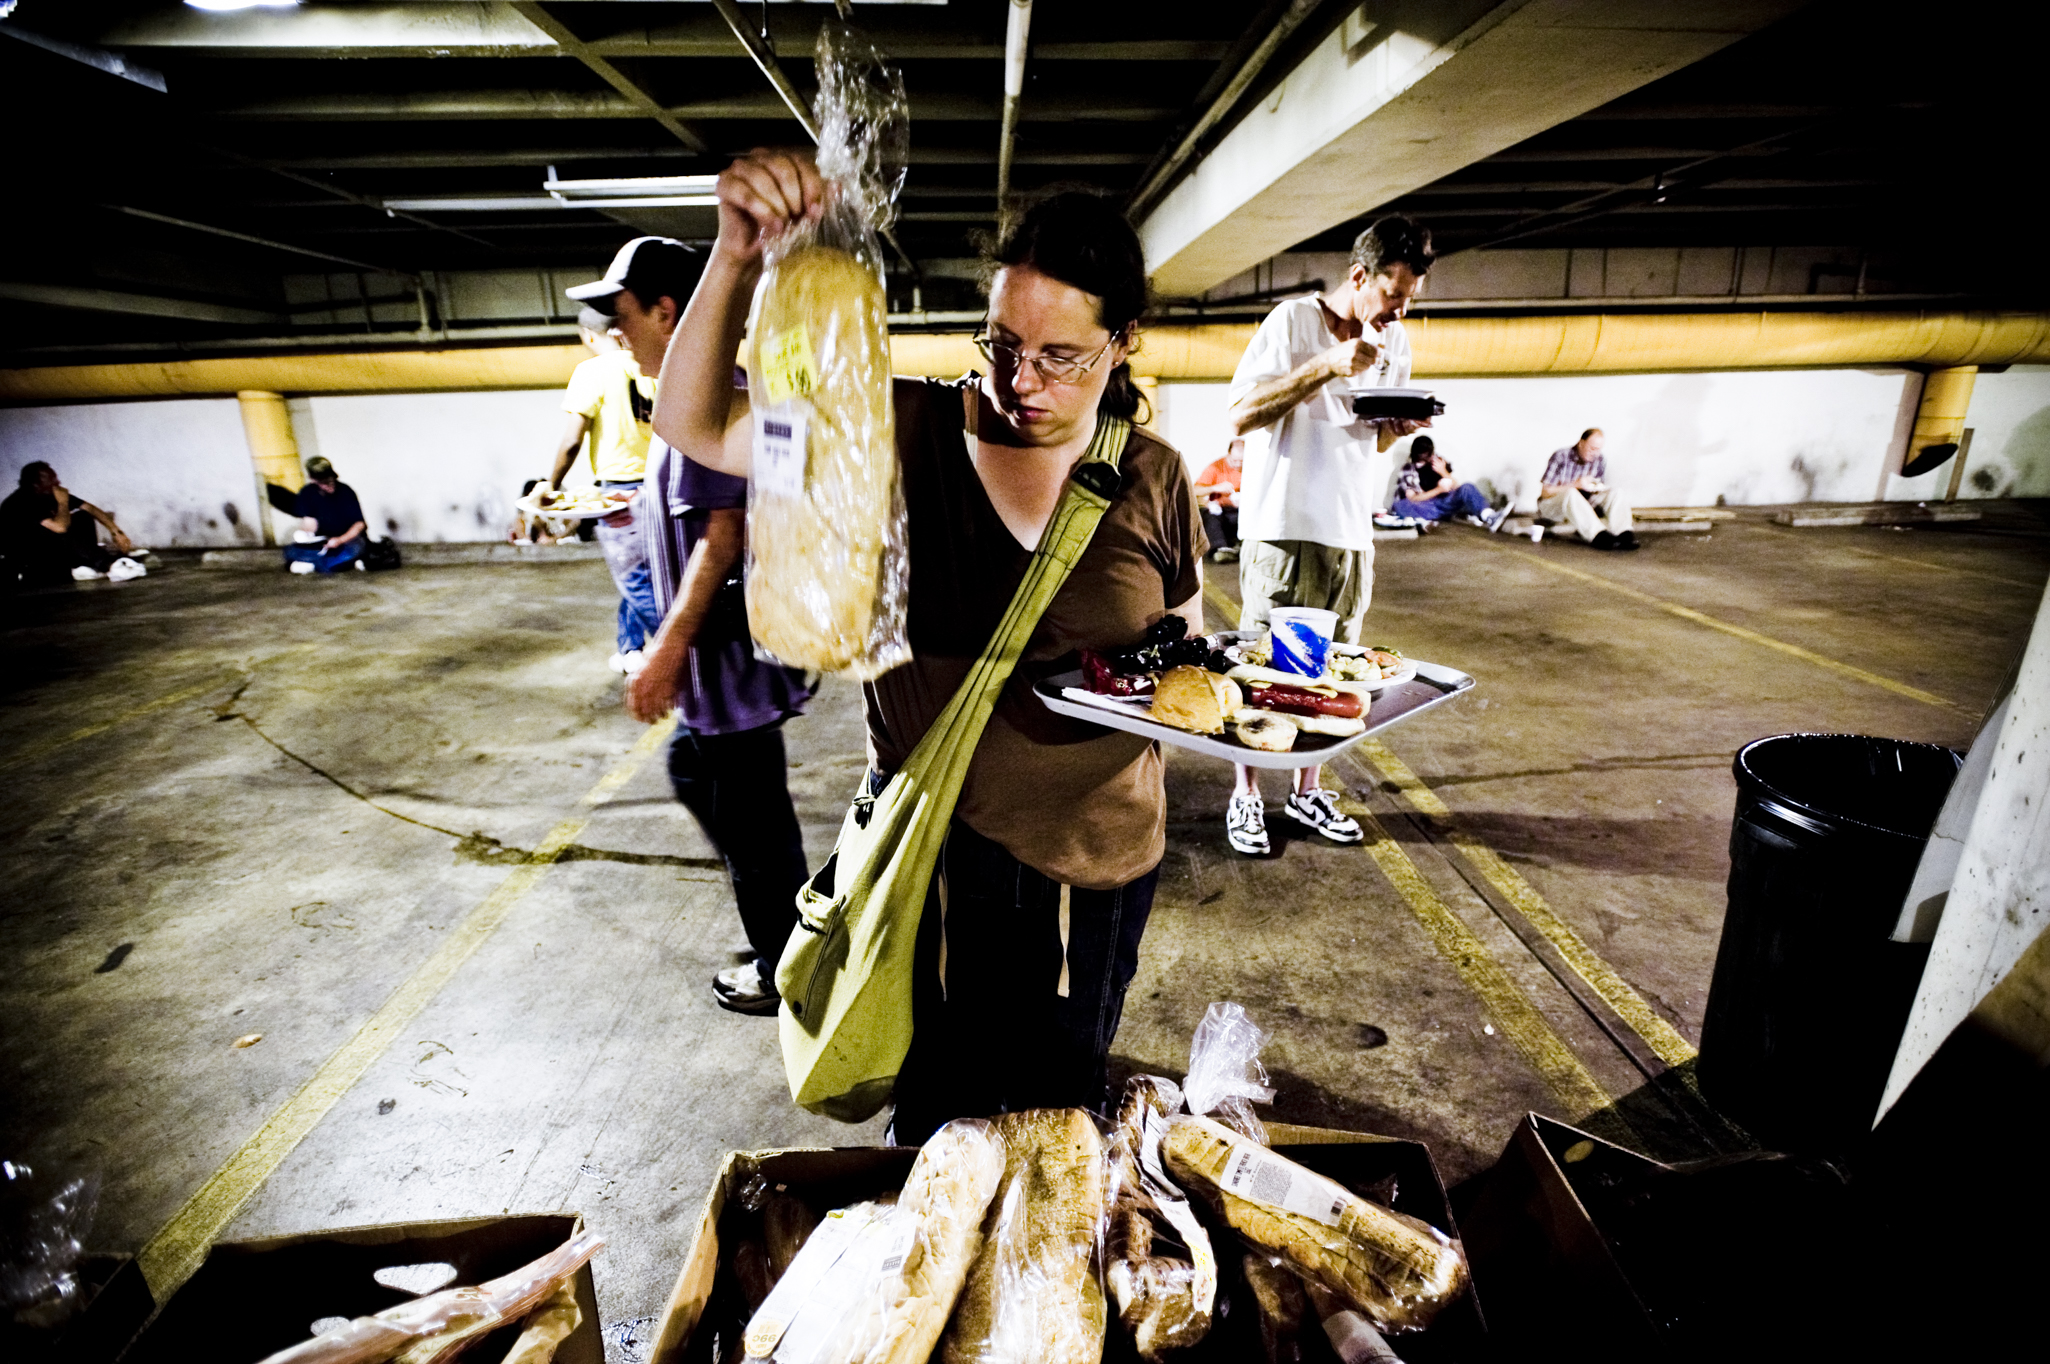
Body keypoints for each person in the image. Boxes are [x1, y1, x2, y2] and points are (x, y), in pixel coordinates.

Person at [655, 152, 1203, 1143]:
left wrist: (1201, 681)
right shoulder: (897, 427)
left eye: (1060, 356)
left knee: (1058, 1115)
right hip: (937, 854)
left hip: (1102, 855)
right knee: (942, 1121)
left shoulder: (1154, 476)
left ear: (1122, 344)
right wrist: (733, 258)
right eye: (1001, 343)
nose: (1018, 380)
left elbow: (1190, 645)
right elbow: (694, 422)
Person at [1220, 214, 1435, 856]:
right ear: (1359, 276)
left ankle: (1307, 790)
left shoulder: (1395, 344)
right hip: (1282, 526)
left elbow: (1372, 437)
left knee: (1336, 674)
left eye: (1409, 302)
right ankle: (1248, 797)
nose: (1398, 312)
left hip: (1350, 529)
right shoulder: (1292, 323)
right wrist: (1328, 365)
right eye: (1392, 296)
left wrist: (1401, 425)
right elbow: (1241, 414)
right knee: (1262, 667)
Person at [623, 435, 816, 1015]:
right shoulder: (681, 406)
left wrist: (667, 648)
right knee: (696, 775)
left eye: (623, 331)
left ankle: (787, 970)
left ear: (669, 332)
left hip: (729, 665)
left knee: (755, 832)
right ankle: (790, 927)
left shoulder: (704, 404)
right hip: (716, 668)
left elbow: (726, 529)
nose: (619, 338)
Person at [554, 245, 702, 673]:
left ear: (664, 314)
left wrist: (550, 486)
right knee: (642, 576)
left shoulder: (595, 372)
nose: (620, 334)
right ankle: (630, 646)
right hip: (656, 488)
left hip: (618, 493)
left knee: (638, 580)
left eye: (624, 318)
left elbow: (570, 441)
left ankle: (674, 650)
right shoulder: (660, 375)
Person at [1, 462, 145, 586]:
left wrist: (116, 532)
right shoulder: (20, 502)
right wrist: (62, 502)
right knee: (62, 530)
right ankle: (107, 564)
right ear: (35, 484)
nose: (57, 482)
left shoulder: (48, 494)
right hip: (29, 560)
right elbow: (60, 527)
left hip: (53, 551)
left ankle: (86, 562)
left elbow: (90, 508)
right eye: (51, 479)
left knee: (82, 516)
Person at [1539, 428, 1637, 550]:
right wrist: (1575, 484)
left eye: (1598, 449)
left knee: (1616, 493)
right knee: (1571, 493)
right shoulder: (1560, 456)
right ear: (1581, 443)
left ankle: (1624, 534)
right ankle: (1598, 536)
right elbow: (1545, 492)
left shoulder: (1599, 459)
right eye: (1592, 448)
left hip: (1583, 503)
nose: (1595, 453)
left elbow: (1598, 487)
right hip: (1554, 505)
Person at [1391, 436, 1506, 529]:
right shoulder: (1409, 469)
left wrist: (1443, 471)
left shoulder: (1437, 461)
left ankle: (1489, 516)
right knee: (1401, 505)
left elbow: (1456, 486)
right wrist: (1439, 489)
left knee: (1467, 487)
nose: (1426, 458)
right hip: (1426, 505)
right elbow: (1413, 499)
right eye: (1423, 455)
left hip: (1443, 503)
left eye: (1428, 454)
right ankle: (1424, 521)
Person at [284, 457, 367, 574]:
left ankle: (317, 564)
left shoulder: (346, 492)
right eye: (324, 483)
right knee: (290, 551)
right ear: (313, 480)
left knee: (352, 551)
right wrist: (306, 534)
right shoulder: (307, 493)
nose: (329, 486)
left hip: (347, 541)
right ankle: (323, 563)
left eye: (330, 481)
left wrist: (339, 540)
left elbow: (359, 525)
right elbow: (308, 522)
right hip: (323, 543)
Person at [1193, 440, 1244, 562]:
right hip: (1219, 511)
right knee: (1208, 515)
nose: (1237, 465)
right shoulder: (1216, 467)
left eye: (1241, 461)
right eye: (1234, 461)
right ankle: (1220, 550)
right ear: (1228, 454)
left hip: (1239, 511)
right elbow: (1194, 491)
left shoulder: (1250, 469)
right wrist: (1215, 488)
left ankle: (1242, 547)